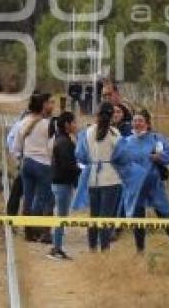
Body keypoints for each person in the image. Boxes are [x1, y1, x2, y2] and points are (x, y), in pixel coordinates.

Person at [119, 109, 169, 252]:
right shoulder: (126, 142)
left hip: (154, 183)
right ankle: (140, 249)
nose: (137, 124)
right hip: (135, 186)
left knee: (164, 213)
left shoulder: (156, 139)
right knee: (137, 217)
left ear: (147, 123)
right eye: (135, 121)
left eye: (140, 120)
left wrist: (159, 157)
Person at [73, 102, 124, 251]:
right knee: (106, 217)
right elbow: (123, 155)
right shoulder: (115, 133)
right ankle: (105, 248)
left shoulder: (88, 132)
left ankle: (92, 248)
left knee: (94, 216)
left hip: (93, 178)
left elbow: (79, 155)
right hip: (111, 178)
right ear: (111, 116)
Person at [14, 93, 54, 243]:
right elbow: (51, 147)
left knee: (28, 197)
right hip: (43, 164)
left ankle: (28, 232)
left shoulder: (23, 122)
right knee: (42, 198)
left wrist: (21, 158)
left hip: (27, 163)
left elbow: (17, 147)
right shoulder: (47, 124)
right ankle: (37, 228)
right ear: (43, 106)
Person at [48, 112, 80, 260]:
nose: (76, 125)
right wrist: (81, 169)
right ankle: (56, 248)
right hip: (63, 183)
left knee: (61, 215)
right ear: (67, 124)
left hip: (60, 182)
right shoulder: (64, 142)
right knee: (61, 217)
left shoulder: (61, 139)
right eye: (74, 122)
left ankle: (57, 246)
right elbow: (68, 165)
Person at [5, 108, 29, 217]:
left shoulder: (19, 124)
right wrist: (18, 155)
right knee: (21, 188)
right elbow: (10, 140)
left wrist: (17, 155)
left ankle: (12, 213)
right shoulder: (21, 125)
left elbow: (10, 140)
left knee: (18, 188)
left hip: (25, 160)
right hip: (28, 160)